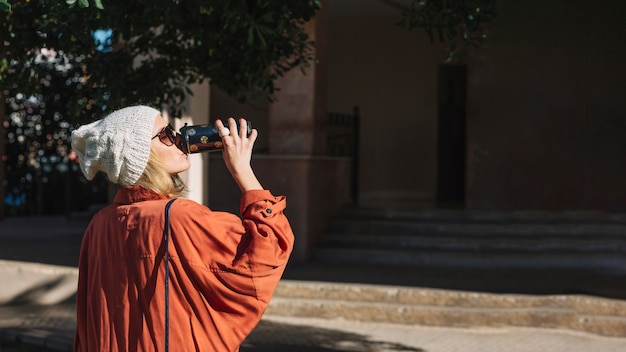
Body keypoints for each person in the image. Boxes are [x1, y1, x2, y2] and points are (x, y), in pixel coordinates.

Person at [70, 105, 294, 351]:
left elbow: (86, 323)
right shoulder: (178, 217)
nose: (178, 139)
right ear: (143, 154)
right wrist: (242, 170)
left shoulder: (99, 226)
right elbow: (269, 247)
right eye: (165, 134)